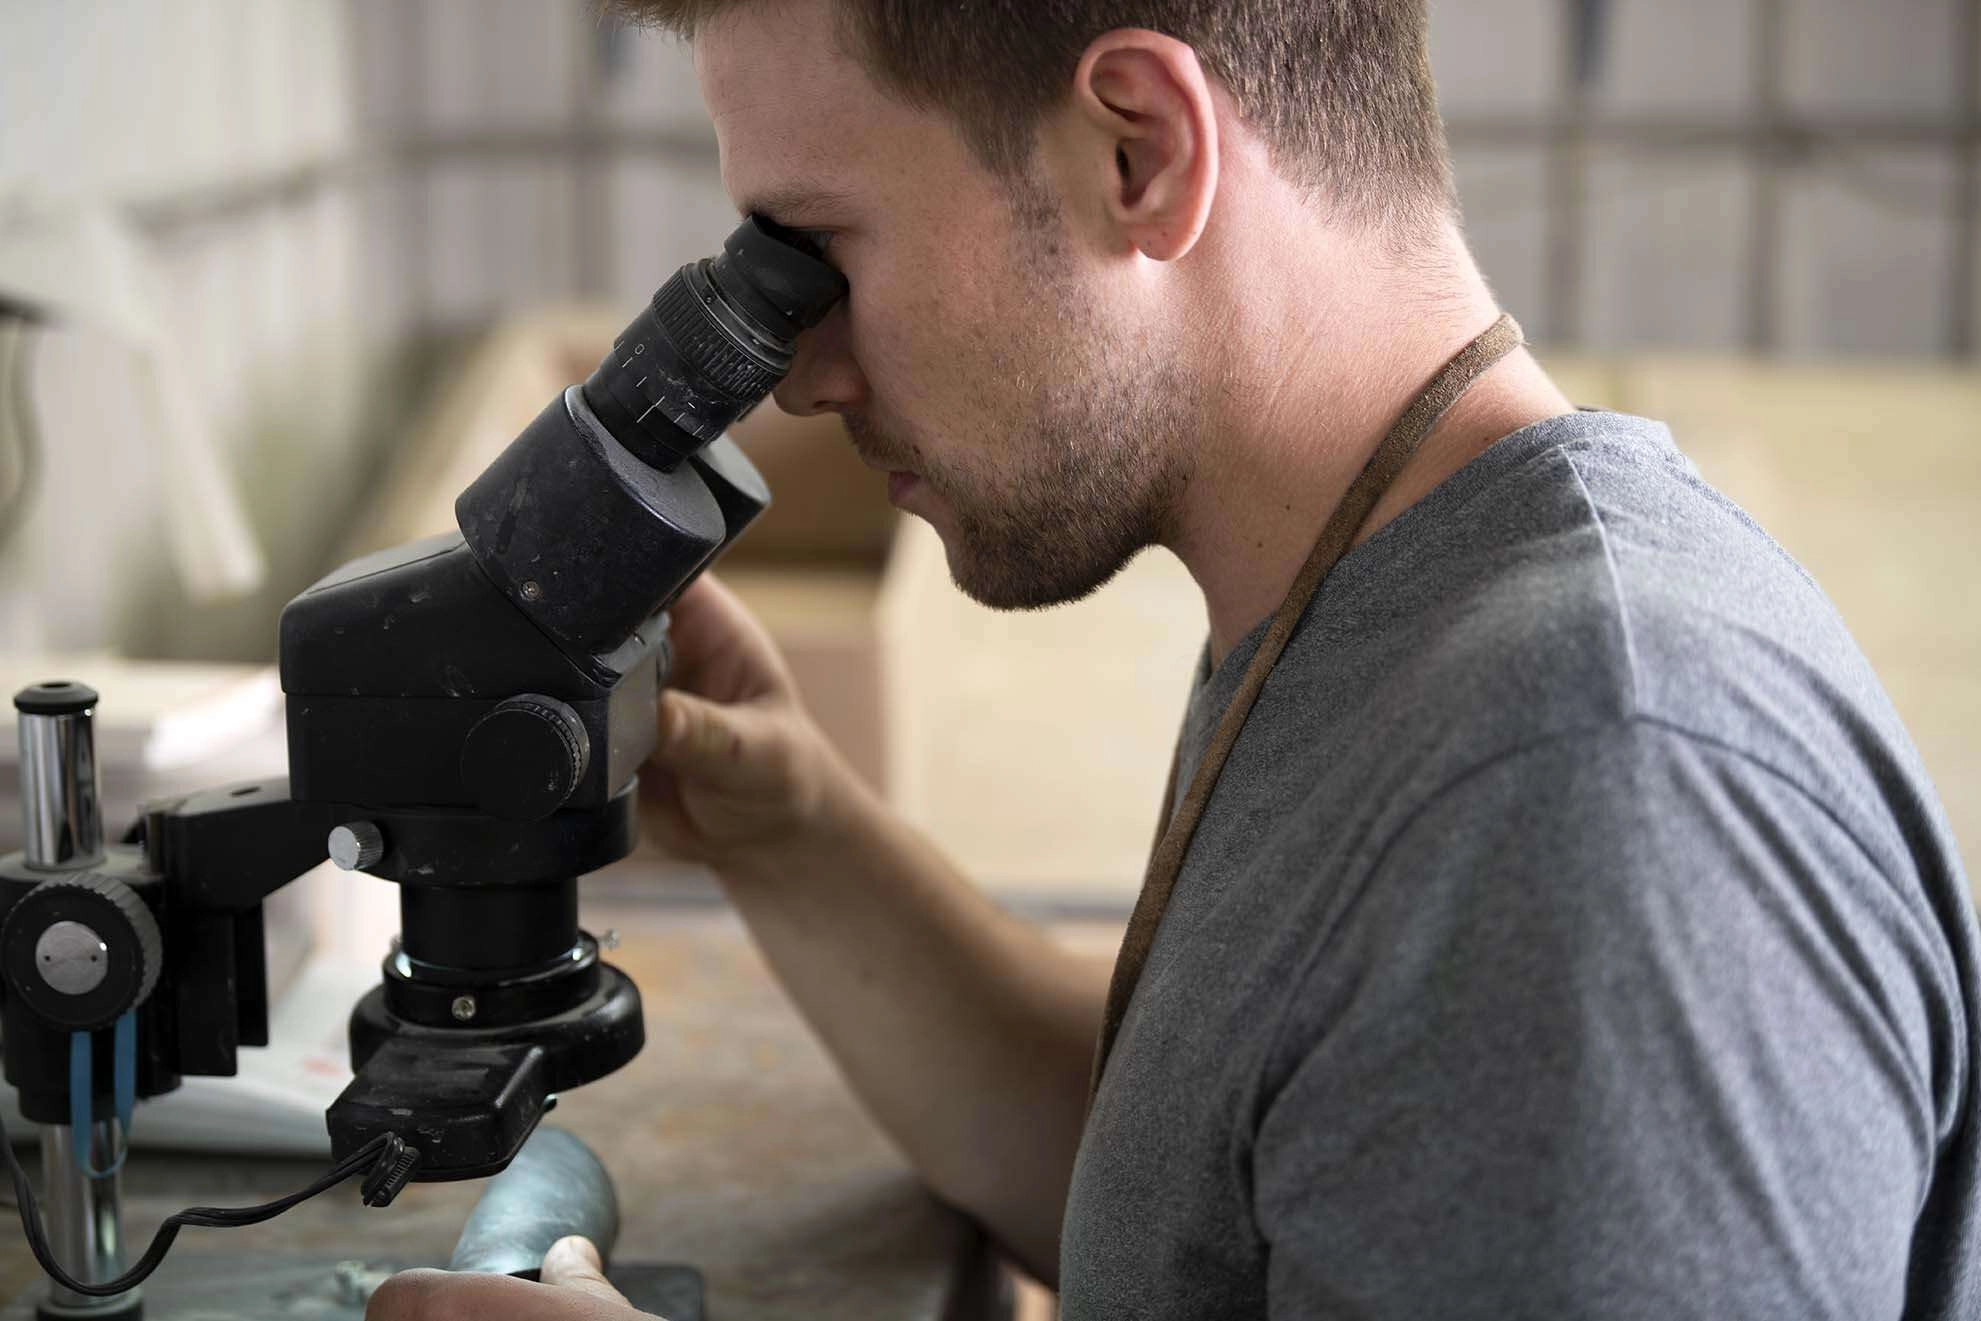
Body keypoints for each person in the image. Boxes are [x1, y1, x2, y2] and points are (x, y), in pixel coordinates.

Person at [368, 2, 1980, 1318]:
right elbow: (1198, 1202)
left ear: (1139, 152)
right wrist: (793, 832)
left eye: (824, 255)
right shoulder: (1374, 606)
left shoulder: (1591, 787)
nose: (804, 375)